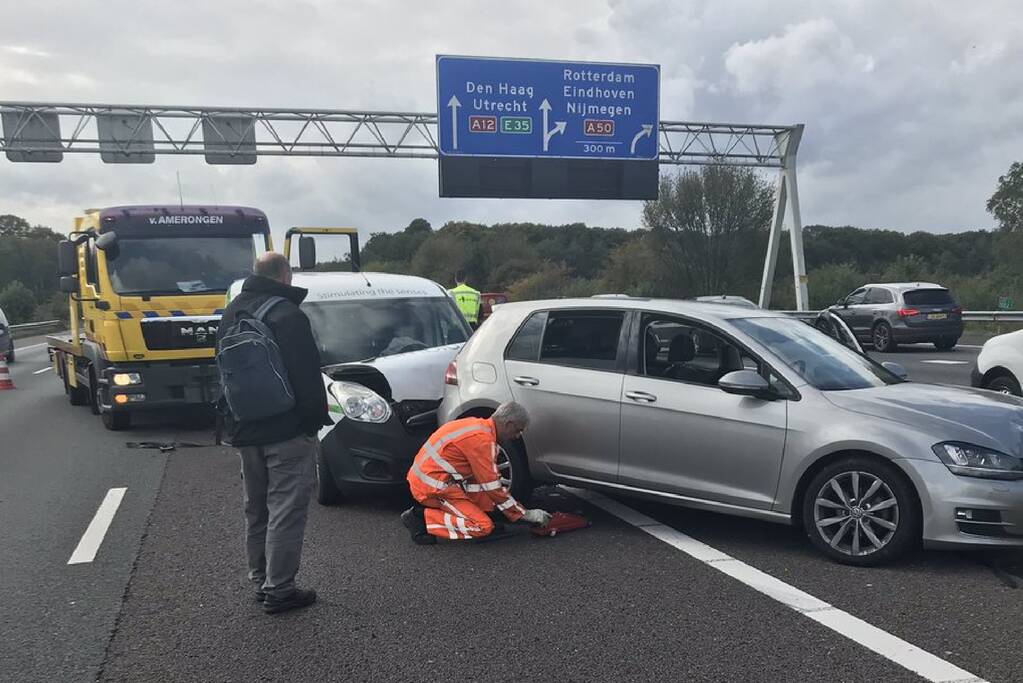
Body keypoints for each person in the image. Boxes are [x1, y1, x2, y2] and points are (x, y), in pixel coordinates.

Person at [217, 252, 330, 614]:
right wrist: (312, 422)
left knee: (257, 507)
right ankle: (280, 590)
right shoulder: (288, 314)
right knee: (286, 508)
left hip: (245, 428)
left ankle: (261, 580)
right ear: (286, 276)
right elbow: (307, 376)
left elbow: (222, 372)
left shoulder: (232, 311)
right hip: (286, 429)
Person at [402, 402, 553, 543]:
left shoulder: (478, 426)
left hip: (431, 479)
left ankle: (482, 515)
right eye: (518, 430)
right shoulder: (482, 441)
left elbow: (484, 481)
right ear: (509, 424)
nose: (517, 436)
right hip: (433, 488)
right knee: (482, 527)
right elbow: (492, 487)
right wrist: (524, 514)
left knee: (480, 483)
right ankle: (420, 518)